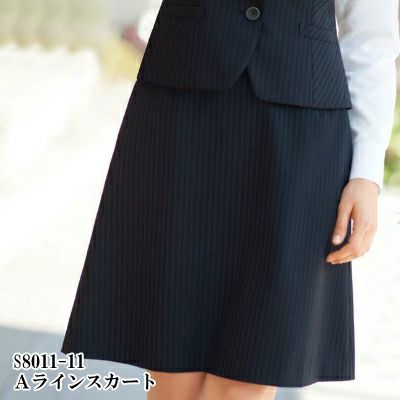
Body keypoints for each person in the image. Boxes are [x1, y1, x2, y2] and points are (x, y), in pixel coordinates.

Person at [61, 1, 400, 399]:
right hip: (181, 115)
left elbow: (370, 41)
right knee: (172, 370)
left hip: (300, 137)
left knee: (249, 374)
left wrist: (365, 173)